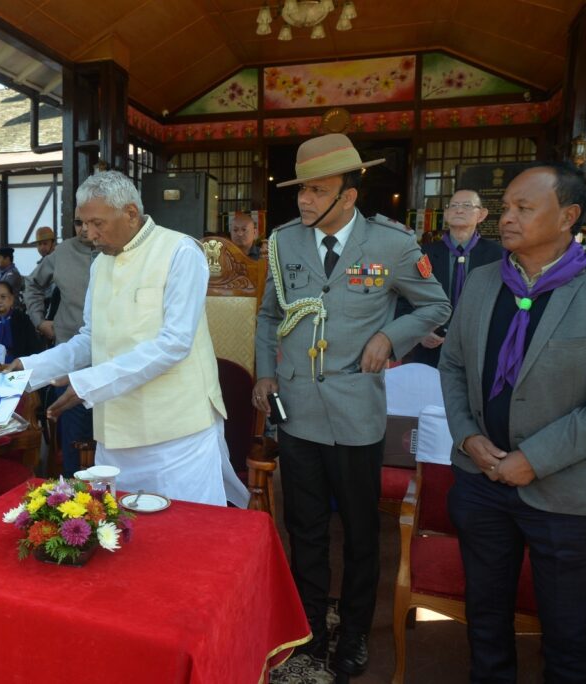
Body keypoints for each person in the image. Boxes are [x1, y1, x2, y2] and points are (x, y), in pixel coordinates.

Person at [253, 133, 450, 675]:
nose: (304, 201)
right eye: (301, 191)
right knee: (306, 527)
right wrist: (265, 374)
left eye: (317, 191)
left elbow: (435, 305)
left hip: (357, 411)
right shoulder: (284, 242)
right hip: (296, 408)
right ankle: (311, 628)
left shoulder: (391, 244)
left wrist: (391, 336)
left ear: (349, 195)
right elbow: (270, 315)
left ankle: (355, 633)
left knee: (362, 533)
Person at [439, 162, 586, 683]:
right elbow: (454, 365)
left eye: (523, 208)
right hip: (482, 482)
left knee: (571, 637)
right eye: (505, 207)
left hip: (567, 495)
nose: (506, 218)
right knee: (484, 619)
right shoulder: (484, 282)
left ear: (567, 215)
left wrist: (535, 459)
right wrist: (468, 435)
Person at [11, 170, 248, 507]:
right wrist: (27, 369)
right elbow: (90, 339)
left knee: (185, 538)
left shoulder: (179, 251)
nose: (88, 234)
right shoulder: (101, 264)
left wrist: (87, 384)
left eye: (97, 223)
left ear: (131, 214)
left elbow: (174, 343)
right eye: (82, 223)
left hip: (176, 432)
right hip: (117, 430)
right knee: (123, 536)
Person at [23, 212, 99, 475]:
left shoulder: (115, 250)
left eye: (90, 221)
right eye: (78, 222)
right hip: (69, 361)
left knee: (108, 445)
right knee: (74, 443)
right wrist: (40, 321)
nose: (84, 228)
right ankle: (73, 505)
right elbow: (31, 285)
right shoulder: (64, 252)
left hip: (114, 361)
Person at [408, 189, 503, 366]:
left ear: (481, 215)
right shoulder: (424, 254)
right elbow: (405, 296)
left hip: (480, 351)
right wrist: (419, 332)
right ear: (446, 213)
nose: (459, 210)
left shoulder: (497, 255)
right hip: (432, 350)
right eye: (454, 206)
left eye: (467, 206)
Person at [0, 281, 41, 362]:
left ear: (11, 299)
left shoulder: (23, 320)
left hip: (18, 368)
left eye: (3, 297)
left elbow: (34, 349)